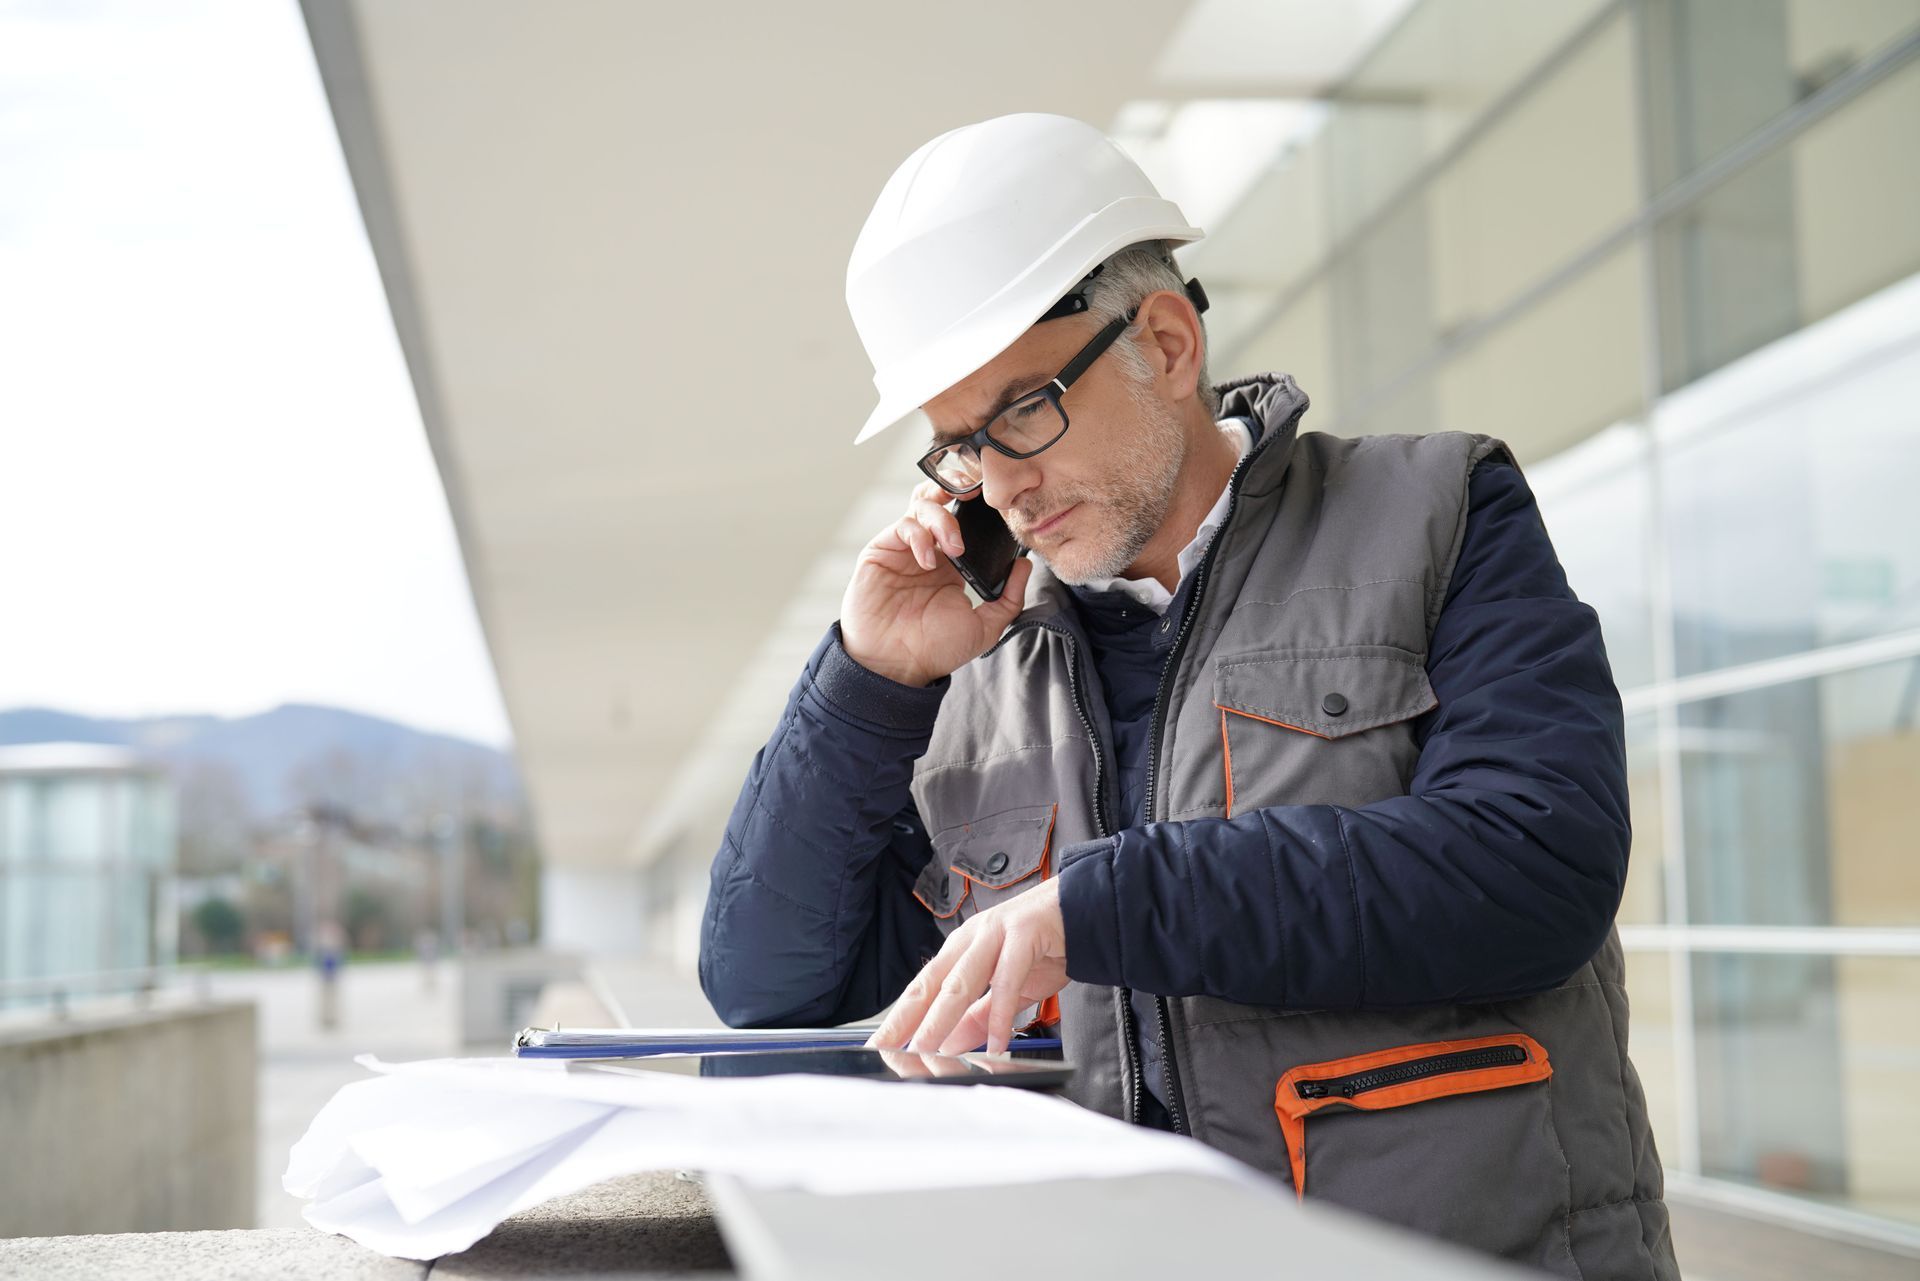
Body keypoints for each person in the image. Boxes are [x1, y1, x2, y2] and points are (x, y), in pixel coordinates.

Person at [699, 112, 1679, 1280]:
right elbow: (769, 990)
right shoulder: (973, 669)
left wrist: (1102, 908)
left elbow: (1536, 868)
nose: (1004, 487)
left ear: (1165, 344)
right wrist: (866, 679)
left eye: (1023, 411)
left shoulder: (1440, 512)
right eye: (963, 444)